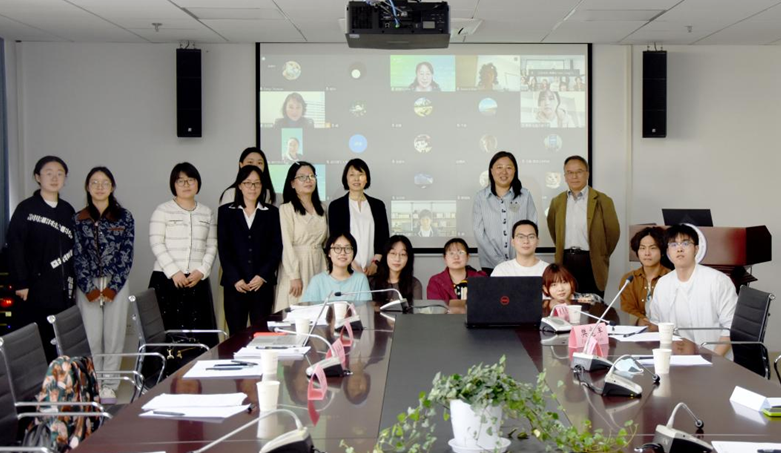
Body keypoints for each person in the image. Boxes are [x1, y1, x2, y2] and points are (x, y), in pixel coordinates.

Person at [72, 166, 134, 404]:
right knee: (91, 337)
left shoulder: (124, 217)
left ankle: (109, 385)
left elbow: (126, 255)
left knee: (114, 335)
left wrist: (112, 288)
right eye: (95, 182)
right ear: (87, 187)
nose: (100, 187)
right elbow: (77, 255)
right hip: (87, 284)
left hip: (116, 283)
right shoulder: (78, 218)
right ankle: (93, 383)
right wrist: (88, 288)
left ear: (112, 187)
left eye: (105, 182)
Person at [6, 156, 75, 361]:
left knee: (59, 339)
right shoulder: (26, 209)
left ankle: (57, 379)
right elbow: (15, 246)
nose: (54, 178)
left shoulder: (67, 210)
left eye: (59, 174)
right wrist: (21, 282)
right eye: (48, 173)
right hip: (33, 288)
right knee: (36, 339)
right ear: (37, 177)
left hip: (62, 289)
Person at [149, 162, 218, 346]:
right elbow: (156, 243)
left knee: (199, 336)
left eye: (191, 180)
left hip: (197, 281)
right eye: (180, 181)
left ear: (198, 183)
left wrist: (202, 271)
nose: (186, 185)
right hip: (167, 280)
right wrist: (174, 272)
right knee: (166, 336)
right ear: (173, 184)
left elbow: (212, 245)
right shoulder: (162, 210)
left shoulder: (206, 212)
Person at [648, 224, 737, 357]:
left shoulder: (718, 281)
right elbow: (655, 324)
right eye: (673, 244)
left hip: (713, 359)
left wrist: (712, 361)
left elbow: (730, 328)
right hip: (675, 359)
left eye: (685, 243)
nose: (679, 249)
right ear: (668, 252)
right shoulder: (663, 284)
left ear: (696, 249)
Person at [218, 165, 282, 335]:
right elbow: (224, 248)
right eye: (248, 183)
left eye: (257, 183)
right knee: (236, 334)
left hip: (261, 285)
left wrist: (262, 276)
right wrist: (236, 279)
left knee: (261, 334)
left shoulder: (272, 213)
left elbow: (276, 247)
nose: (252, 188)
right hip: (235, 286)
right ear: (239, 185)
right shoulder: (226, 212)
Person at [547, 155, 619, 298]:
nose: (574, 176)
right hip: (566, 260)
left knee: (593, 304)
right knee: (566, 303)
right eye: (570, 172)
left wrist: (601, 254)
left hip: (591, 262)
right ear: (565, 176)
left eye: (579, 172)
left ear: (587, 174)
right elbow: (554, 231)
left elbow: (613, 233)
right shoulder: (557, 202)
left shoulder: (603, 200)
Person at [472, 151, 537, 274]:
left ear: (515, 171)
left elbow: (533, 229)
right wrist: (500, 262)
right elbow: (479, 233)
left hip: (521, 264)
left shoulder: (525, 196)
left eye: (509, 168)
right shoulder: (481, 197)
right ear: (491, 171)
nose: (504, 172)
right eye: (499, 167)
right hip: (490, 265)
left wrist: (519, 260)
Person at [275, 162, 328, 311]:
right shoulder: (287, 209)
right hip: (297, 265)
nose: (308, 180)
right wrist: (294, 275)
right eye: (302, 177)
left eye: (311, 176)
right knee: (297, 310)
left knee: (319, 309)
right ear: (292, 183)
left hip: (319, 264)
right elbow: (287, 243)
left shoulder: (322, 208)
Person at [328, 159, 389, 276]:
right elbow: (335, 240)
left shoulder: (378, 205)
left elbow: (383, 238)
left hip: (374, 270)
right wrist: (352, 265)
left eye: (360, 174)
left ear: (367, 179)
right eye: (352, 175)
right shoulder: (336, 206)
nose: (356, 179)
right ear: (346, 178)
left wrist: (375, 263)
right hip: (346, 268)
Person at [620, 227, 671, 326]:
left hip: (666, 329)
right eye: (642, 248)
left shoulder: (671, 278)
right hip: (639, 330)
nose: (647, 253)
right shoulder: (629, 279)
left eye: (653, 248)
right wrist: (645, 322)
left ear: (662, 251)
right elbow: (627, 309)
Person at [302, 232, 371, 303]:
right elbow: (307, 308)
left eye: (347, 248)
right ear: (329, 253)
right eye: (337, 248)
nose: (343, 253)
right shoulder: (317, 281)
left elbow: (365, 308)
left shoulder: (361, 279)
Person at [426, 238, 486, 306]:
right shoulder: (436, 282)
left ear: (467, 257)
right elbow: (436, 309)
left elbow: (486, 306)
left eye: (460, 252)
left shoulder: (481, 279)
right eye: (451, 253)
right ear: (445, 258)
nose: (456, 257)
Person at [370, 235, 423, 303]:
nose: (397, 259)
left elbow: (416, 309)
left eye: (403, 254)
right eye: (393, 253)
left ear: (409, 258)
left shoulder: (414, 284)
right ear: (386, 255)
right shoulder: (372, 282)